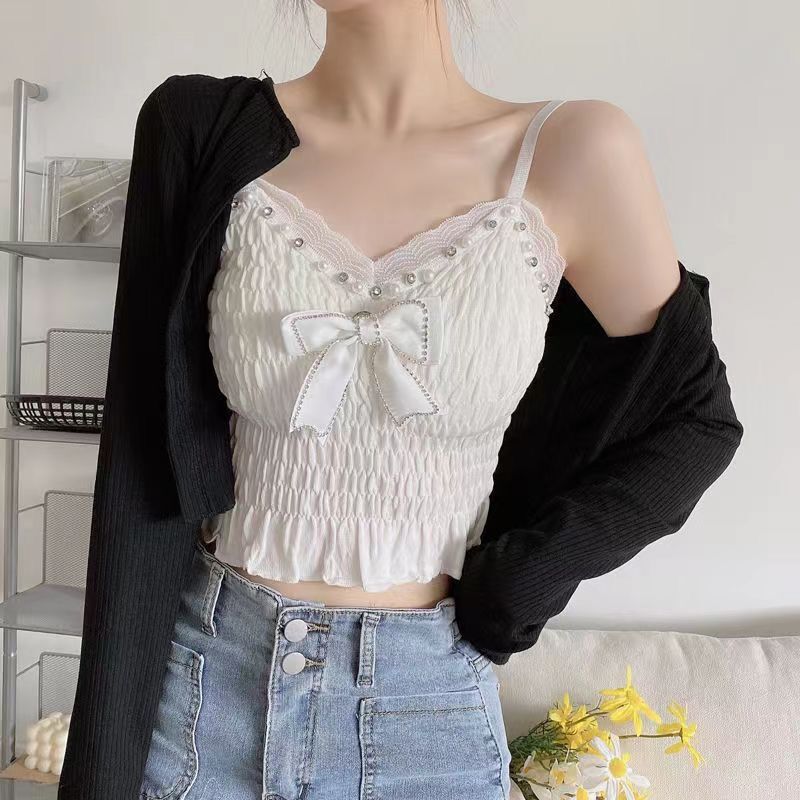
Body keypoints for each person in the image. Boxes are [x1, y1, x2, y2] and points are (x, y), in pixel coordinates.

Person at [57, 2, 744, 800]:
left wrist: (524, 578)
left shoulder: (572, 152)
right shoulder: (200, 128)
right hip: (205, 693)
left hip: (422, 718)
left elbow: (695, 417)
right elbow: (139, 460)